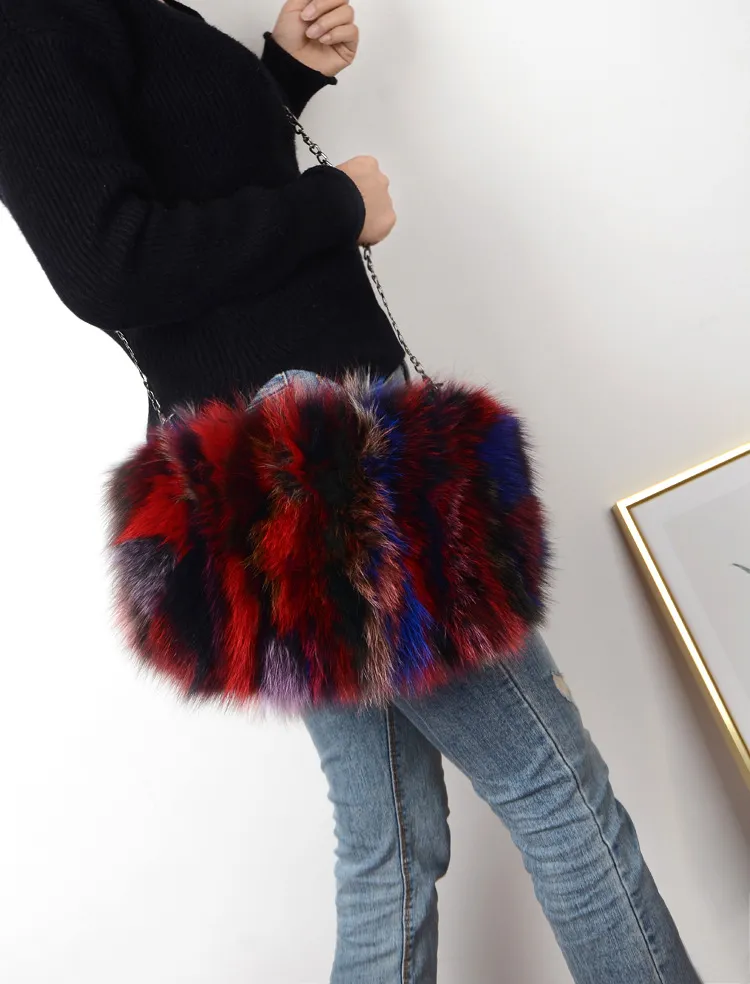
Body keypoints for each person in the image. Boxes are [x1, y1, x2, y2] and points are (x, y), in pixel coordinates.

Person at [0, 1, 702, 982]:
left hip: (272, 461)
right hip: (310, 456)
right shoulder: (35, 17)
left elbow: (173, 176)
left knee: (391, 838)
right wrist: (333, 205)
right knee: (552, 782)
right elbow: (107, 263)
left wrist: (281, 75)